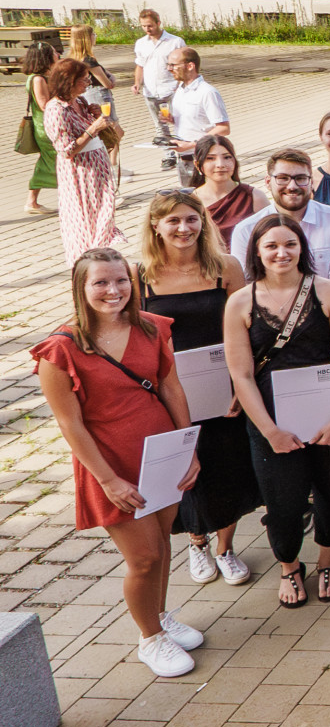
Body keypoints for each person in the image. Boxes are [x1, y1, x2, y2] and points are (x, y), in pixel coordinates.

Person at [34, 250, 203, 676]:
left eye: (121, 281)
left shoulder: (151, 327)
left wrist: (187, 447)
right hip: (111, 464)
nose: (114, 290)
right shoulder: (60, 350)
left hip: (161, 453)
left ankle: (159, 617)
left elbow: (171, 387)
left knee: (163, 544)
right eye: (101, 283)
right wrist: (108, 480)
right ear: (82, 288)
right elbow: (70, 425)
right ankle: (149, 639)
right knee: (143, 558)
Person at [223, 214, 330, 607]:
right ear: (257, 252)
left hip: (328, 412)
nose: (281, 253)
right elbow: (242, 375)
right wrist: (270, 431)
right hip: (270, 419)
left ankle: (329, 561)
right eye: (271, 246)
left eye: (290, 244)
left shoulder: (328, 291)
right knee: (282, 500)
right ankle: (289, 566)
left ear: (303, 248)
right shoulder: (240, 303)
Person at [137, 193, 257, 586]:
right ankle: (196, 540)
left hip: (221, 383)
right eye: (173, 221)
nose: (184, 229)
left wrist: (244, 384)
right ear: (156, 226)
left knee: (227, 464)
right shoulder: (141, 276)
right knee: (186, 467)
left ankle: (225, 546)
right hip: (170, 388)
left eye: (192, 219)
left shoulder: (226, 268)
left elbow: (244, 328)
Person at [231, 148, 330, 294]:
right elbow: (247, 284)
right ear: (268, 182)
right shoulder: (246, 230)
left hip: (325, 311)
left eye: (300, 178)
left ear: (311, 182)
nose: (292, 186)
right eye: (283, 178)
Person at [42, 58, 124, 263]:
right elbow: (66, 150)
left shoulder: (80, 102)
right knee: (86, 218)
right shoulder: (56, 109)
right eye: (84, 80)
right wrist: (92, 128)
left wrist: (95, 117)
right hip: (81, 174)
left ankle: (101, 256)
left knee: (104, 214)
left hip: (98, 171)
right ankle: (87, 260)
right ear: (69, 81)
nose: (88, 84)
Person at [163, 48, 230, 187]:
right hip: (183, 158)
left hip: (204, 158)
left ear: (190, 66)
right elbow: (194, 119)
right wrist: (172, 119)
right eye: (168, 65)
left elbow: (223, 128)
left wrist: (193, 144)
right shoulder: (180, 90)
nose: (169, 69)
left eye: (173, 65)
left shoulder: (207, 92)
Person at [187, 135, 265, 247]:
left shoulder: (254, 197)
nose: (220, 165)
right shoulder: (191, 201)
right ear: (198, 165)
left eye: (227, 157)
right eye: (210, 158)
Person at [132, 10, 185, 172]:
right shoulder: (141, 43)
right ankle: (168, 155)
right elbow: (140, 65)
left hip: (171, 89)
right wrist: (137, 83)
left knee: (179, 122)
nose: (147, 29)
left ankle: (184, 152)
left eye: (150, 25)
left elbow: (184, 63)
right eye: (143, 26)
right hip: (151, 90)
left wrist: (180, 84)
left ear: (158, 23)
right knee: (159, 124)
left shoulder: (175, 42)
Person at [16, 42, 56, 215]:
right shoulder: (38, 79)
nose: (58, 54)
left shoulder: (43, 76)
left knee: (47, 161)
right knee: (54, 159)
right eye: (54, 52)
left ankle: (32, 201)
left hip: (49, 125)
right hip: (46, 127)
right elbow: (44, 104)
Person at [68, 24, 115, 118]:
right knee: (112, 127)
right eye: (93, 34)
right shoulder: (89, 61)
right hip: (99, 96)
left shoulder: (72, 59)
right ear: (87, 38)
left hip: (86, 95)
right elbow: (108, 84)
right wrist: (113, 78)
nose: (95, 36)